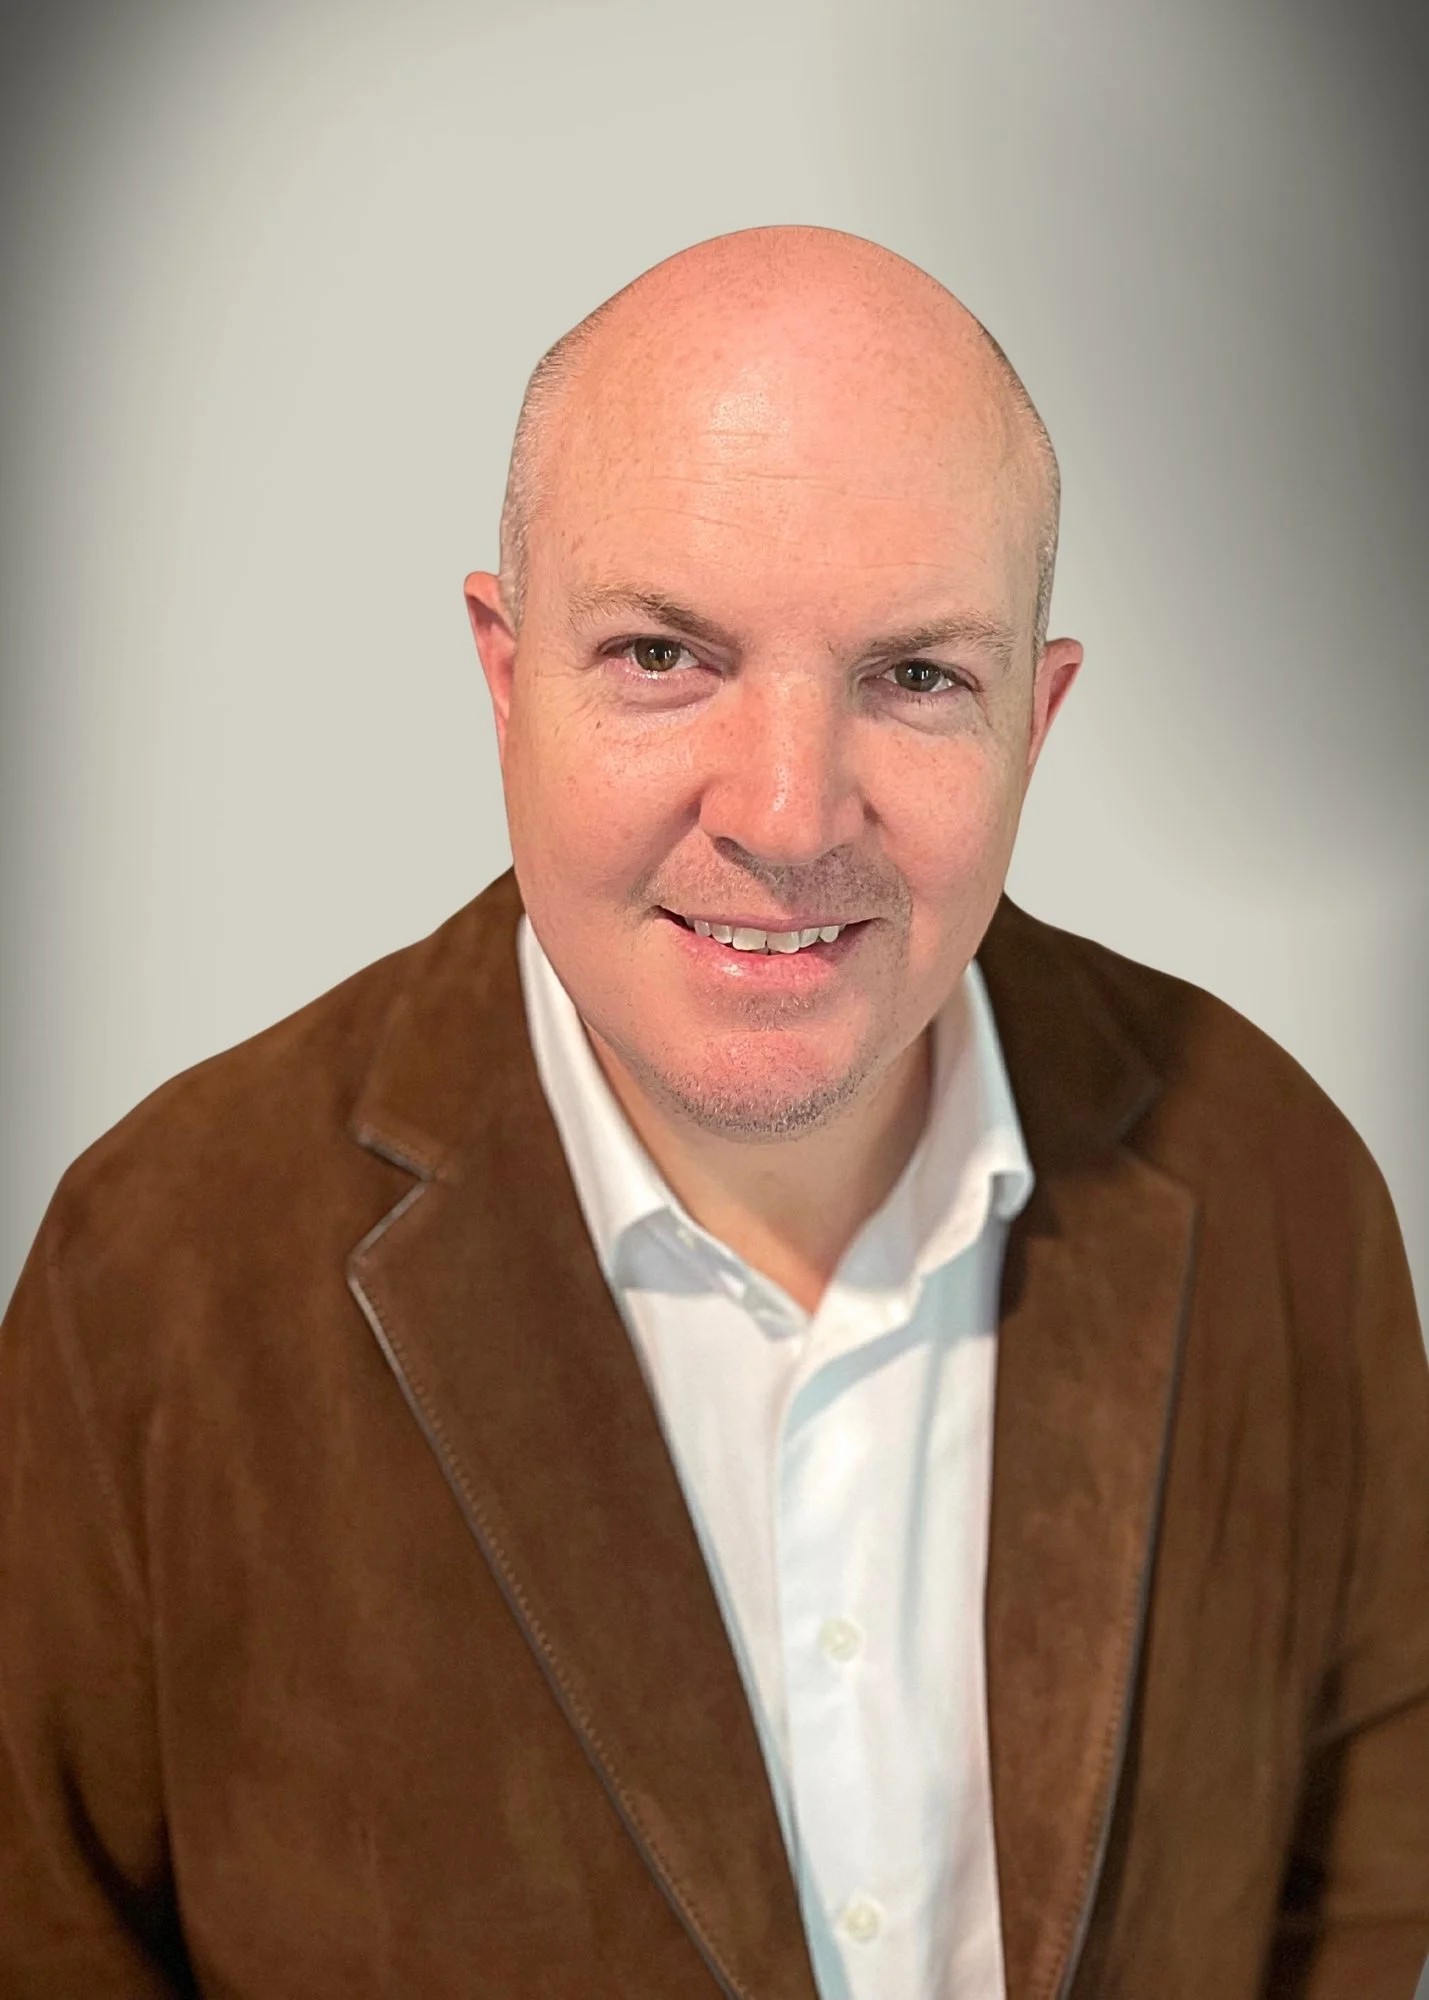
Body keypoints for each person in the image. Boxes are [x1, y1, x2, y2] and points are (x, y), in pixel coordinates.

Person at [1, 225, 1425, 2000]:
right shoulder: (152, 1277)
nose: (787, 811)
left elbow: (1355, 1905)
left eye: (916, 676)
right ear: (503, 672)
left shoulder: (1276, 1178)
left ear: (1036, 724)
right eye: (666, 654)